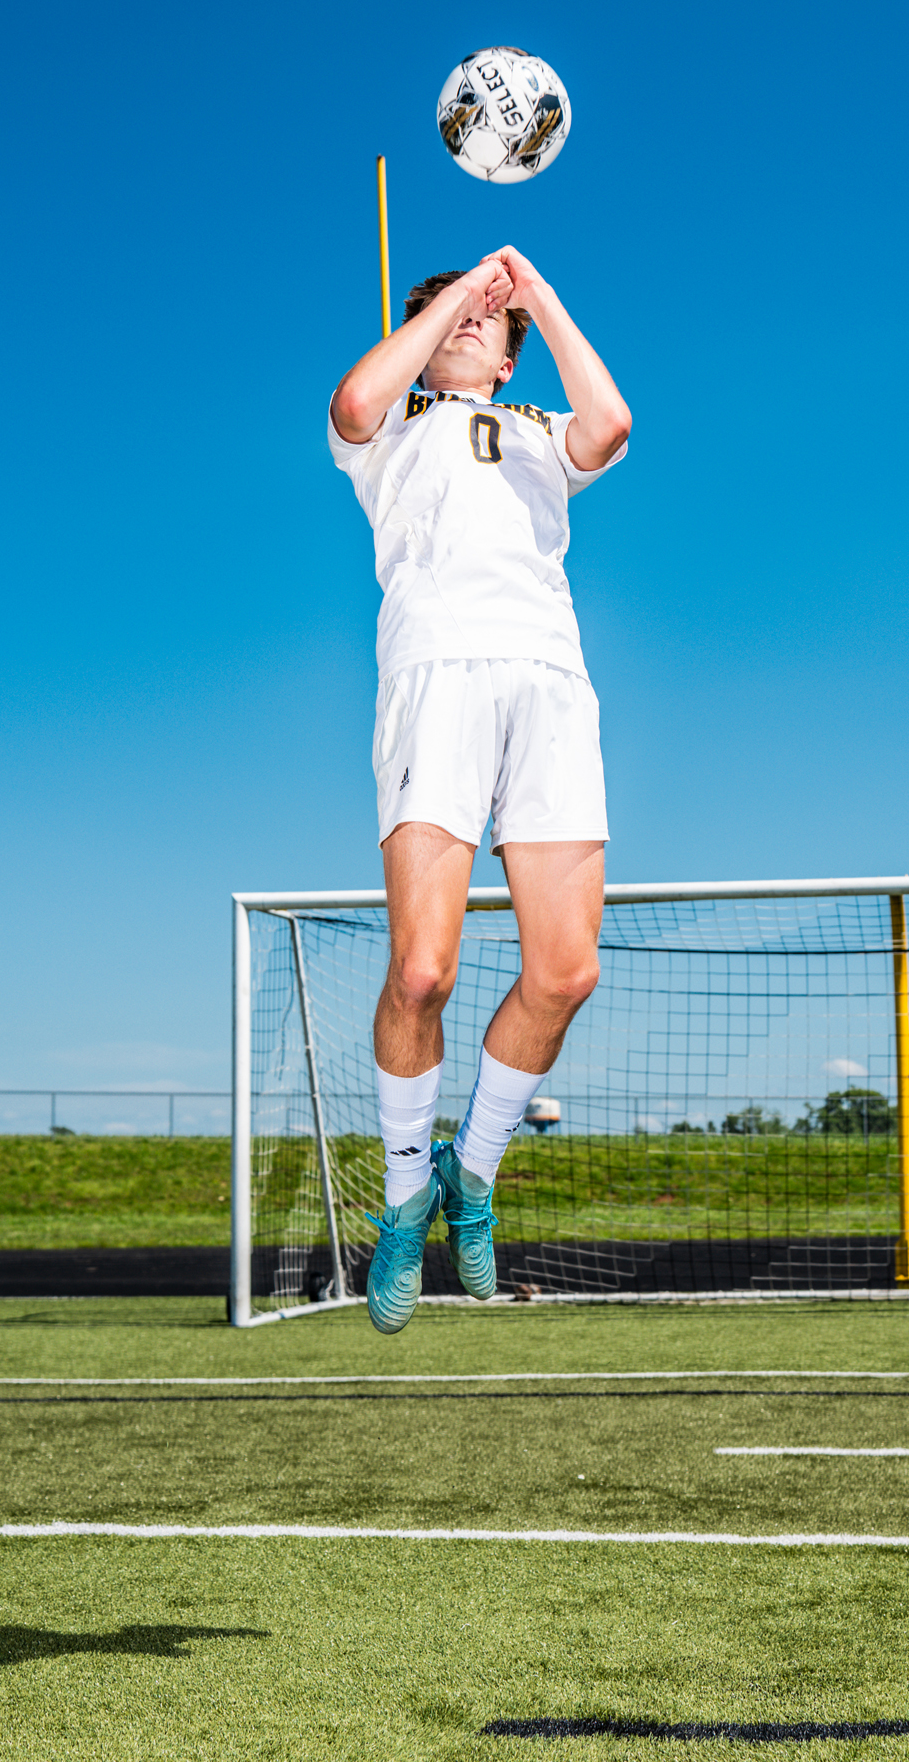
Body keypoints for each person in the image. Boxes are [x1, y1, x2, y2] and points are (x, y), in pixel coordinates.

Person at [328, 245, 631, 1332]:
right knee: (422, 971)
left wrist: (530, 292)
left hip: (548, 683)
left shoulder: (544, 430)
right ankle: (404, 1193)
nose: (468, 321)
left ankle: (474, 1170)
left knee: (566, 970)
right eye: (452, 316)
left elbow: (613, 422)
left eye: (486, 323)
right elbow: (352, 398)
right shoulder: (390, 431)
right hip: (435, 677)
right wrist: (460, 292)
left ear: (510, 360)